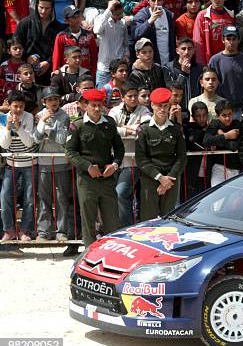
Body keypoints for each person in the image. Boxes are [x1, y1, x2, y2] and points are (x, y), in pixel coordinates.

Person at [65, 88, 124, 247]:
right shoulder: (77, 125)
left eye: (100, 105)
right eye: (93, 105)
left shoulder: (109, 124)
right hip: (87, 180)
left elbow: (119, 148)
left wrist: (115, 165)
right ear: (85, 106)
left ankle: (111, 252)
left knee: (112, 221)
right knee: (88, 221)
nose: (97, 109)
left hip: (107, 179)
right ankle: (89, 253)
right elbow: (69, 151)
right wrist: (87, 166)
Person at [135, 87, 186, 220]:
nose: (162, 109)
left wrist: (169, 178)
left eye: (165, 105)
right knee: (148, 218)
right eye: (159, 106)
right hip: (150, 178)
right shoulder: (144, 129)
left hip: (171, 179)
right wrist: (160, 178)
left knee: (168, 219)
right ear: (152, 105)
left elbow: (181, 157)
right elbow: (141, 159)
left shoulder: (175, 129)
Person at [108, 80, 151, 227]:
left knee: (121, 192)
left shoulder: (144, 110)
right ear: (123, 97)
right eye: (130, 96)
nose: (133, 99)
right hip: (115, 159)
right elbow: (110, 129)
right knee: (117, 195)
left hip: (134, 160)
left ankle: (126, 227)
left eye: (135, 96)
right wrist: (128, 130)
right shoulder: (114, 111)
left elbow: (144, 129)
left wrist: (122, 128)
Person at [33, 87, 74, 241]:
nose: (53, 102)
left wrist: (47, 130)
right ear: (44, 102)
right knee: (44, 198)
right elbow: (36, 138)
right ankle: (43, 232)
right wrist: (43, 122)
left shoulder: (64, 115)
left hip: (62, 161)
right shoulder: (39, 115)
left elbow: (62, 139)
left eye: (55, 99)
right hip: (44, 162)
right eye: (50, 99)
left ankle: (61, 231)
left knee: (62, 197)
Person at [0, 91, 37, 241]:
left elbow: (29, 142)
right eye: (16, 106)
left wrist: (19, 127)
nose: (18, 110)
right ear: (9, 105)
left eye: (21, 106)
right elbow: (3, 144)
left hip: (30, 163)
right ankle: (9, 230)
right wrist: (9, 128)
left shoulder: (29, 117)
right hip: (11, 163)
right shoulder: (2, 118)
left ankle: (25, 231)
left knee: (29, 198)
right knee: (5, 197)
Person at [15, 0, 64, 86]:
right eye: (41, 7)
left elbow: (60, 50)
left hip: (49, 72)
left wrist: (48, 62)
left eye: (47, 8)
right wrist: (27, 56)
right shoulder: (25, 23)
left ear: (52, 8)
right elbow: (16, 43)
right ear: (36, 5)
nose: (43, 11)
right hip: (26, 71)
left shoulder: (58, 27)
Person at [208, 26, 243, 110]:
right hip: (221, 108)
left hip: (241, 108)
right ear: (223, 40)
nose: (231, 42)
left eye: (234, 39)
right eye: (228, 39)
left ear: (239, 40)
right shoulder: (215, 60)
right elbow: (210, 84)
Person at [133, 0, 176, 66]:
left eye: (159, 0)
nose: (156, 3)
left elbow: (173, 39)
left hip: (168, 61)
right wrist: (150, 21)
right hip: (151, 63)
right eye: (153, 0)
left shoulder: (169, 15)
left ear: (163, 0)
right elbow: (136, 34)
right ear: (148, 1)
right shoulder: (142, 15)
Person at [193, 0, 236, 65]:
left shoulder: (231, 15)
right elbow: (198, 42)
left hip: (228, 60)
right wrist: (201, 64)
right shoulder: (202, 16)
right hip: (209, 61)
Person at [93, 0, 130, 88]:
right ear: (111, 12)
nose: (120, 16)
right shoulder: (101, 20)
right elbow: (96, 30)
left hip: (119, 68)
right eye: (117, 14)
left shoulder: (123, 23)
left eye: (121, 13)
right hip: (104, 68)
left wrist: (126, 55)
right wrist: (108, 9)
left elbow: (125, 43)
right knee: (102, 96)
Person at [52, 6, 98, 75]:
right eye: (73, 17)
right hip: (67, 74)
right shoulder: (61, 37)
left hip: (85, 74)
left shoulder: (89, 36)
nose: (77, 19)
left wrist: (93, 74)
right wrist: (55, 73)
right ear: (66, 20)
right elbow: (56, 57)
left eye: (78, 16)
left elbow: (94, 57)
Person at [207, 99, 241, 185]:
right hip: (219, 166)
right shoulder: (215, 123)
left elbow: (234, 146)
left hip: (235, 167)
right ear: (218, 116)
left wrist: (219, 138)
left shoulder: (236, 124)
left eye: (230, 114)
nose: (228, 118)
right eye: (224, 115)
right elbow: (206, 140)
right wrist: (227, 136)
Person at [163, 37, 203, 107]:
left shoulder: (200, 68)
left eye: (190, 49)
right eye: (183, 49)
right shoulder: (168, 68)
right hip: (177, 109)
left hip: (196, 110)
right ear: (177, 51)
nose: (187, 52)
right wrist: (183, 73)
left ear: (194, 51)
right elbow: (172, 91)